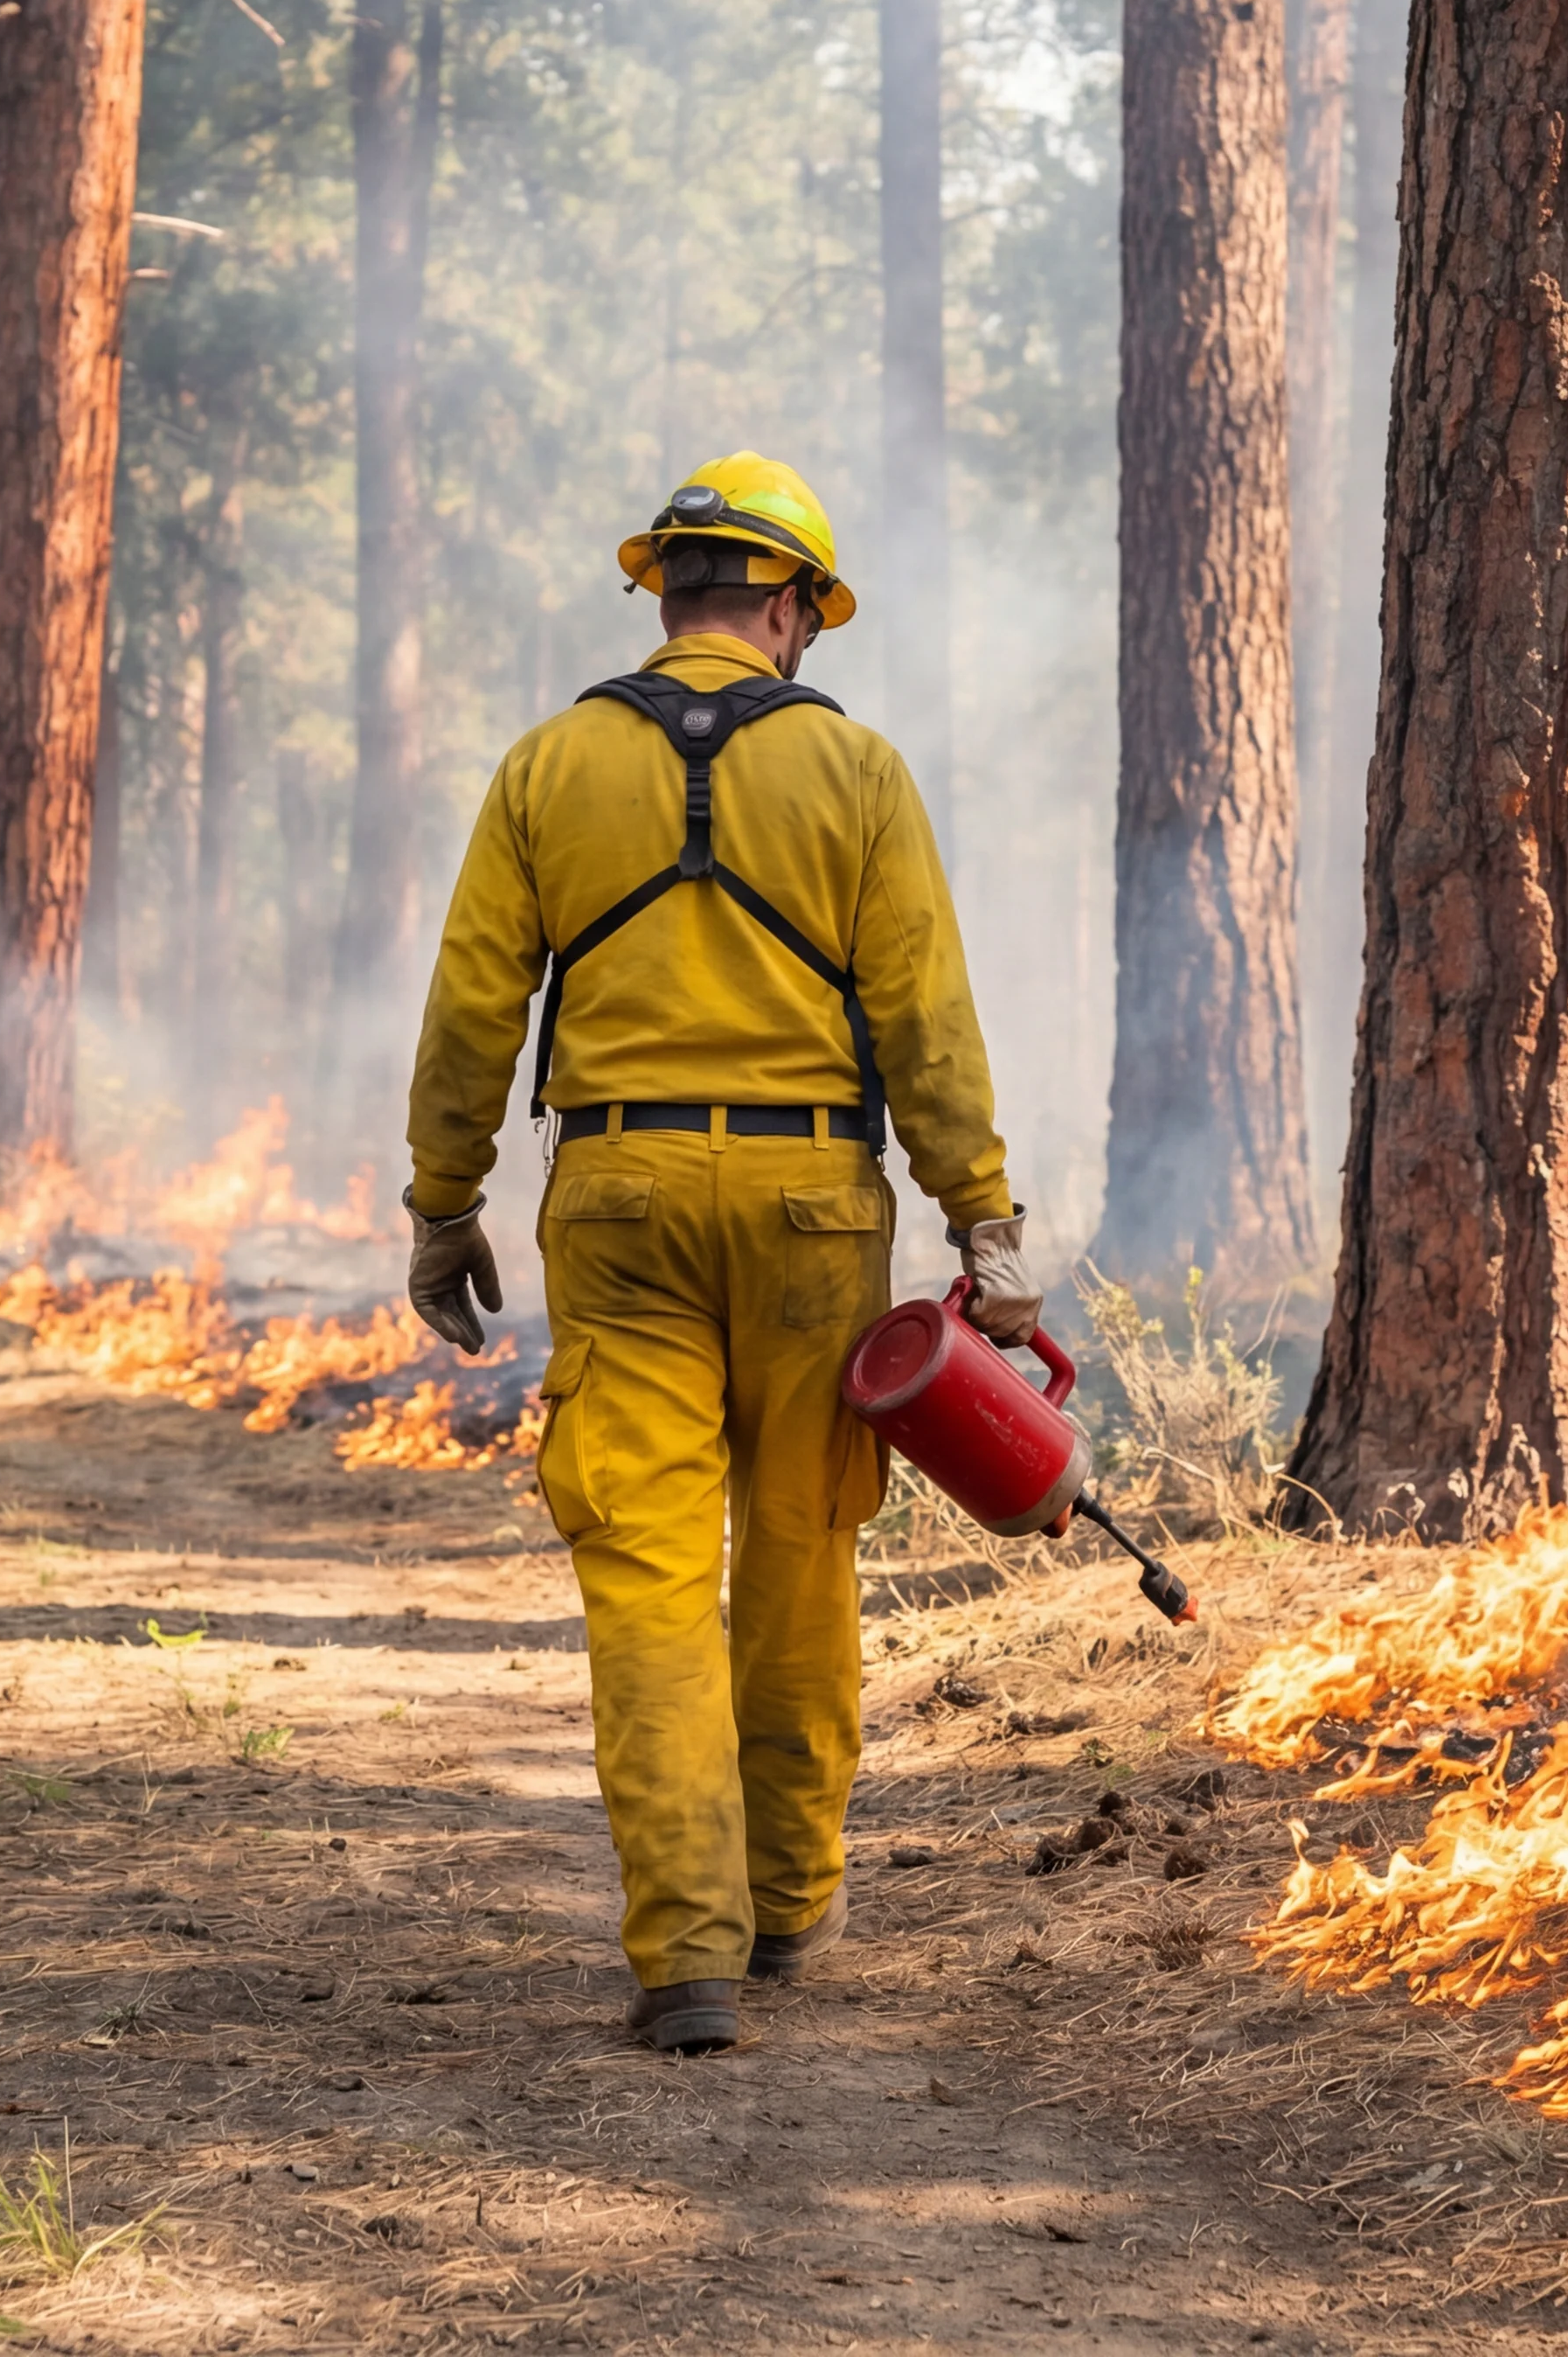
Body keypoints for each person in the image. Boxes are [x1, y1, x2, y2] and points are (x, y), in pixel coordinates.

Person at [398, 452, 1038, 2059]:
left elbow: (474, 1006)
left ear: (666, 590)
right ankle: (788, 1902)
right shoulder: (856, 770)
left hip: (617, 1205)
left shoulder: (549, 764)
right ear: (785, 605)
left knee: (647, 1570)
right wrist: (982, 1217)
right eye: (809, 611)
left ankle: (686, 1951)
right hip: (813, 1207)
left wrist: (443, 1201)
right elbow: (925, 1017)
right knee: (801, 1545)